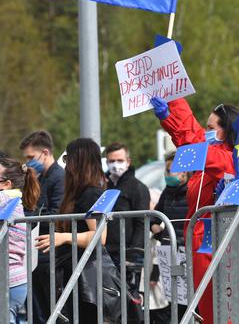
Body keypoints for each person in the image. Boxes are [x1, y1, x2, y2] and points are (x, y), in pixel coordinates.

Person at [150, 96, 239, 324]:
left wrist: (169, 117)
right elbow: (190, 132)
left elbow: (191, 142)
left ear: (226, 131)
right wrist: (173, 94)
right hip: (202, 246)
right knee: (207, 310)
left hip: (216, 248)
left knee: (220, 312)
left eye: (210, 128)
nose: (205, 132)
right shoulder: (211, 153)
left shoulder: (228, 158)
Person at [34, 138, 124, 322]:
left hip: (86, 278)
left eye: (68, 159)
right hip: (72, 272)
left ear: (79, 161)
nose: (65, 165)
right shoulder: (76, 193)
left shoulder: (91, 193)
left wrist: (64, 237)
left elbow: (100, 236)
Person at [18, 130, 65, 323]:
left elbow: (57, 214)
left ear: (44, 152)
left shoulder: (59, 177)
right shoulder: (40, 177)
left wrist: (28, 217)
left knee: (49, 310)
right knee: (37, 312)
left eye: (30, 157)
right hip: (38, 253)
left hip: (50, 255)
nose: (28, 162)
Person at [150, 151, 190, 322]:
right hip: (171, 251)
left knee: (190, 298)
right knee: (175, 298)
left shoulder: (192, 191)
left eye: (171, 171)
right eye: (166, 171)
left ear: (184, 172)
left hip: (188, 252)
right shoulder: (168, 191)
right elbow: (156, 214)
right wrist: (155, 225)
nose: (168, 175)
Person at [0, 157, 40, 324]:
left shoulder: (4, 199)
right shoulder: (14, 200)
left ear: (6, 184)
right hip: (14, 279)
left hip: (7, 279)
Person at [103, 142, 150, 267]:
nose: (115, 164)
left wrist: (134, 253)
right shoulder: (103, 185)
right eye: (111, 161)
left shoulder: (138, 187)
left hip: (126, 254)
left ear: (128, 162)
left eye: (120, 160)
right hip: (105, 252)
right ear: (106, 162)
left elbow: (142, 223)